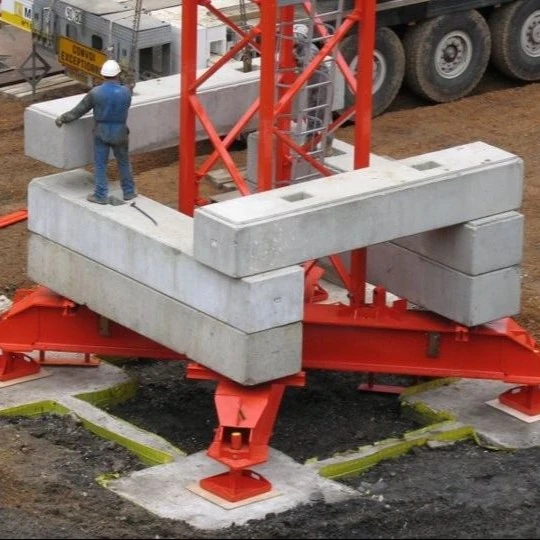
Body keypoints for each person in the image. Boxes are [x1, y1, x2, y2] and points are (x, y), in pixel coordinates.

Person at [55, 59, 137, 205]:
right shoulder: (125, 92)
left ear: (102, 75)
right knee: (123, 162)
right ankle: (129, 192)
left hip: (102, 131)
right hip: (120, 132)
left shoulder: (96, 93)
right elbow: (126, 101)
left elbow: (78, 111)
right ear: (118, 74)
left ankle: (100, 195)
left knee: (100, 164)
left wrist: (63, 118)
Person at [292, 23, 331, 149]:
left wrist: (297, 61)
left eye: (296, 36)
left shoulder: (309, 49)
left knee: (320, 115)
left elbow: (308, 66)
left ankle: (327, 144)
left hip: (320, 83)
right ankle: (311, 143)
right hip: (312, 83)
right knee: (311, 113)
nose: (293, 39)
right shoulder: (299, 49)